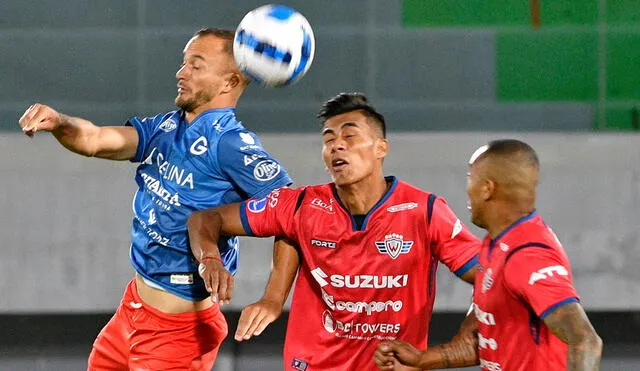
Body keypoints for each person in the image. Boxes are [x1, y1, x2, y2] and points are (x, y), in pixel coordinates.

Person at [18, 28, 294, 370]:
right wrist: (59, 122)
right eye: (183, 63)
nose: (181, 73)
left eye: (196, 65)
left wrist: (273, 298)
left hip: (178, 333)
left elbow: (294, 214)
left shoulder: (232, 145)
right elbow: (95, 140)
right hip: (132, 310)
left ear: (228, 82)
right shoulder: (167, 127)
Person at [187, 92, 482, 370]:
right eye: (329, 139)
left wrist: (457, 346)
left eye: (350, 136)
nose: (337, 145)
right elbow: (206, 218)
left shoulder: (424, 211)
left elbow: (490, 278)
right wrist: (211, 258)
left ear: (381, 148)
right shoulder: (301, 204)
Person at [374, 139, 603, 370]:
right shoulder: (497, 244)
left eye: (470, 178)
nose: (467, 189)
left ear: (487, 188)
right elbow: (484, 342)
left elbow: (585, 340)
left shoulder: (527, 254)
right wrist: (421, 361)